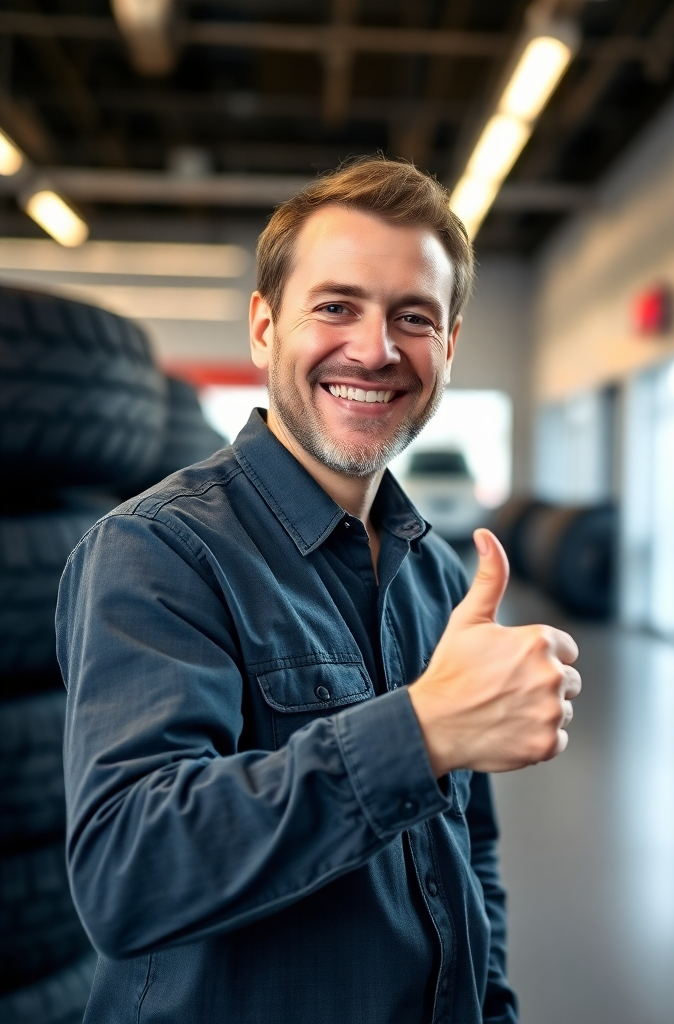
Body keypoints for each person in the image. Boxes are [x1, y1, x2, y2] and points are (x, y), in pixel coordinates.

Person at [56, 156, 581, 1024]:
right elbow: (128, 875)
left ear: (447, 348)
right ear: (265, 328)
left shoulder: (442, 577)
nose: (374, 350)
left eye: (412, 317)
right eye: (336, 306)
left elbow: (466, 850)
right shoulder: (156, 552)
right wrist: (419, 733)